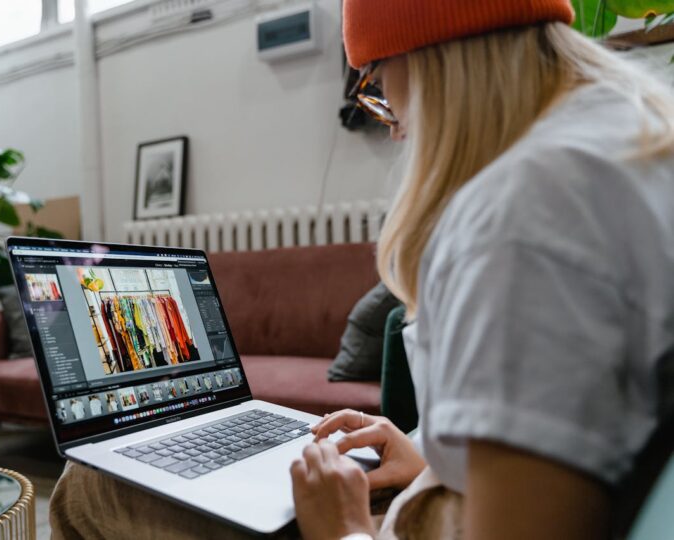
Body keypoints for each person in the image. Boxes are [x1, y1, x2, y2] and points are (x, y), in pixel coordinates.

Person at [49, 1, 674, 538]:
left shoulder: (524, 215)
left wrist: (343, 526)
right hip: (451, 498)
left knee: (84, 486)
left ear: (425, 57)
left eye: (377, 86)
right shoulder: (630, 140)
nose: (396, 126)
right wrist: (427, 455)